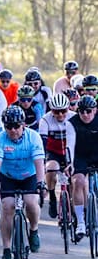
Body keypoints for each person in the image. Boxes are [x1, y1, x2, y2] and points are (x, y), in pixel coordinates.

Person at [0, 106, 46, 259]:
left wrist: (41, 182)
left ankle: (34, 230)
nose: (13, 130)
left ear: (23, 125)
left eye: (16, 126)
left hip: (29, 175)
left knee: (30, 202)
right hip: (8, 176)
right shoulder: (0, 139)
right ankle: (7, 250)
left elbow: (39, 162)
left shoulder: (33, 137)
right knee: (7, 207)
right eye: (8, 127)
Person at [38, 94, 76, 219]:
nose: (60, 115)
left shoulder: (74, 117)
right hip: (53, 152)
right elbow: (42, 144)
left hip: (70, 152)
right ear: (51, 110)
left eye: (63, 111)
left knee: (73, 181)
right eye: (56, 111)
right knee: (51, 168)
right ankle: (53, 196)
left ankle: (73, 205)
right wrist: (42, 161)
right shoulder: (45, 119)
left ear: (68, 108)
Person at [66, 95, 98, 238]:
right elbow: (69, 145)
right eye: (81, 111)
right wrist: (70, 163)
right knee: (78, 181)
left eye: (88, 111)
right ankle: (80, 222)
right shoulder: (71, 122)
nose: (85, 114)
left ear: (95, 110)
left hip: (96, 154)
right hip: (80, 156)